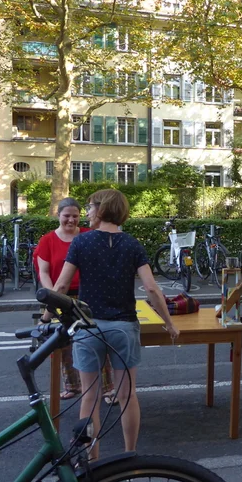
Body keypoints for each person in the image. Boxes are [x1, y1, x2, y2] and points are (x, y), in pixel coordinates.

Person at [46, 189, 179, 458]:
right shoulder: (132, 244)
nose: (87, 212)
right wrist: (169, 323)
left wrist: (47, 316)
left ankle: (92, 460)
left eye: (90, 207)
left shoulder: (81, 243)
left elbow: (60, 285)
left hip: (89, 327)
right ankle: (130, 454)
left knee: (90, 397)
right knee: (127, 395)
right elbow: (152, 289)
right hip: (124, 327)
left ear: (102, 208)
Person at [35, 197, 116, 403]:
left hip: (88, 295)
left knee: (97, 339)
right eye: (66, 216)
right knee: (63, 343)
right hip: (59, 295)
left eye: (75, 216)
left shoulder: (89, 235)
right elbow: (43, 272)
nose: (71, 220)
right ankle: (72, 385)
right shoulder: (48, 240)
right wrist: (52, 295)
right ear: (58, 215)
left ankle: (108, 388)